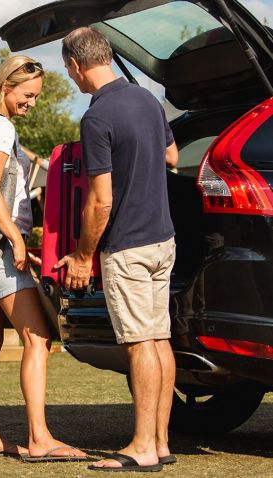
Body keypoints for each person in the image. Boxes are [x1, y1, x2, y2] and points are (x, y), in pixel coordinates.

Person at [56, 27, 179, 472]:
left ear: (75, 65)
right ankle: (161, 442)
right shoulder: (147, 100)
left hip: (127, 245)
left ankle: (143, 447)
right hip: (164, 241)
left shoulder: (97, 117)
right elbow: (172, 156)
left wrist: (84, 255)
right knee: (159, 339)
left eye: (68, 71)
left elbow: (100, 199)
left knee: (138, 343)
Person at [0, 55, 87, 461]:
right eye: (28, 94)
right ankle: (39, 438)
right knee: (38, 337)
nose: (32, 102)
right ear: (6, 86)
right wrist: (16, 239)